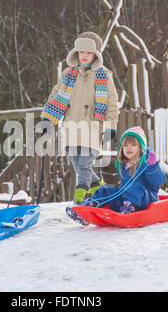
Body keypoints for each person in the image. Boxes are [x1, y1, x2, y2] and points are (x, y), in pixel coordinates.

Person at [40, 31, 119, 207]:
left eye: (88, 53)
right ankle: (101, 192)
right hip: (71, 127)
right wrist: (48, 119)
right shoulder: (68, 74)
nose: (84, 56)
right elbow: (56, 95)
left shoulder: (103, 75)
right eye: (81, 52)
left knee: (84, 163)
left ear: (95, 54)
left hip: (92, 125)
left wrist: (110, 126)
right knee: (77, 164)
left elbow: (112, 102)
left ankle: (80, 200)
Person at [67, 126, 167, 225]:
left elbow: (158, 181)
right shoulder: (123, 165)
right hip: (126, 199)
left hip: (147, 199)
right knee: (106, 190)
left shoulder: (147, 164)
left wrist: (152, 166)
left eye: (133, 145)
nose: (129, 147)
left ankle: (129, 208)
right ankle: (88, 210)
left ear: (141, 148)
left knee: (134, 186)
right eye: (125, 145)